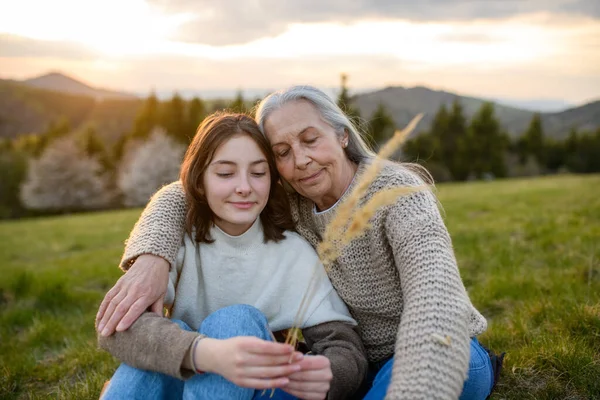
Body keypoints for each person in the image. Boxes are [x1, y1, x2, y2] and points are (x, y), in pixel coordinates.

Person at [97, 86, 500, 399]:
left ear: (342, 135)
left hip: (436, 349)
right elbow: (186, 192)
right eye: (283, 152)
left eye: (311, 139)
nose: (302, 160)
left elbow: (437, 302)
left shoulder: (399, 196)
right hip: (350, 366)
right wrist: (153, 254)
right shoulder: (288, 195)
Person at [97, 112, 368, 400]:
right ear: (199, 181)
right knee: (162, 343)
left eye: (258, 173)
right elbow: (115, 330)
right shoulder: (174, 241)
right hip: (187, 377)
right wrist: (205, 354)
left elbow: (343, 345)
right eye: (226, 173)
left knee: (235, 321)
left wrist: (329, 372)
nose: (244, 187)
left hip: (261, 387)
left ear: (273, 181)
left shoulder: (292, 253)